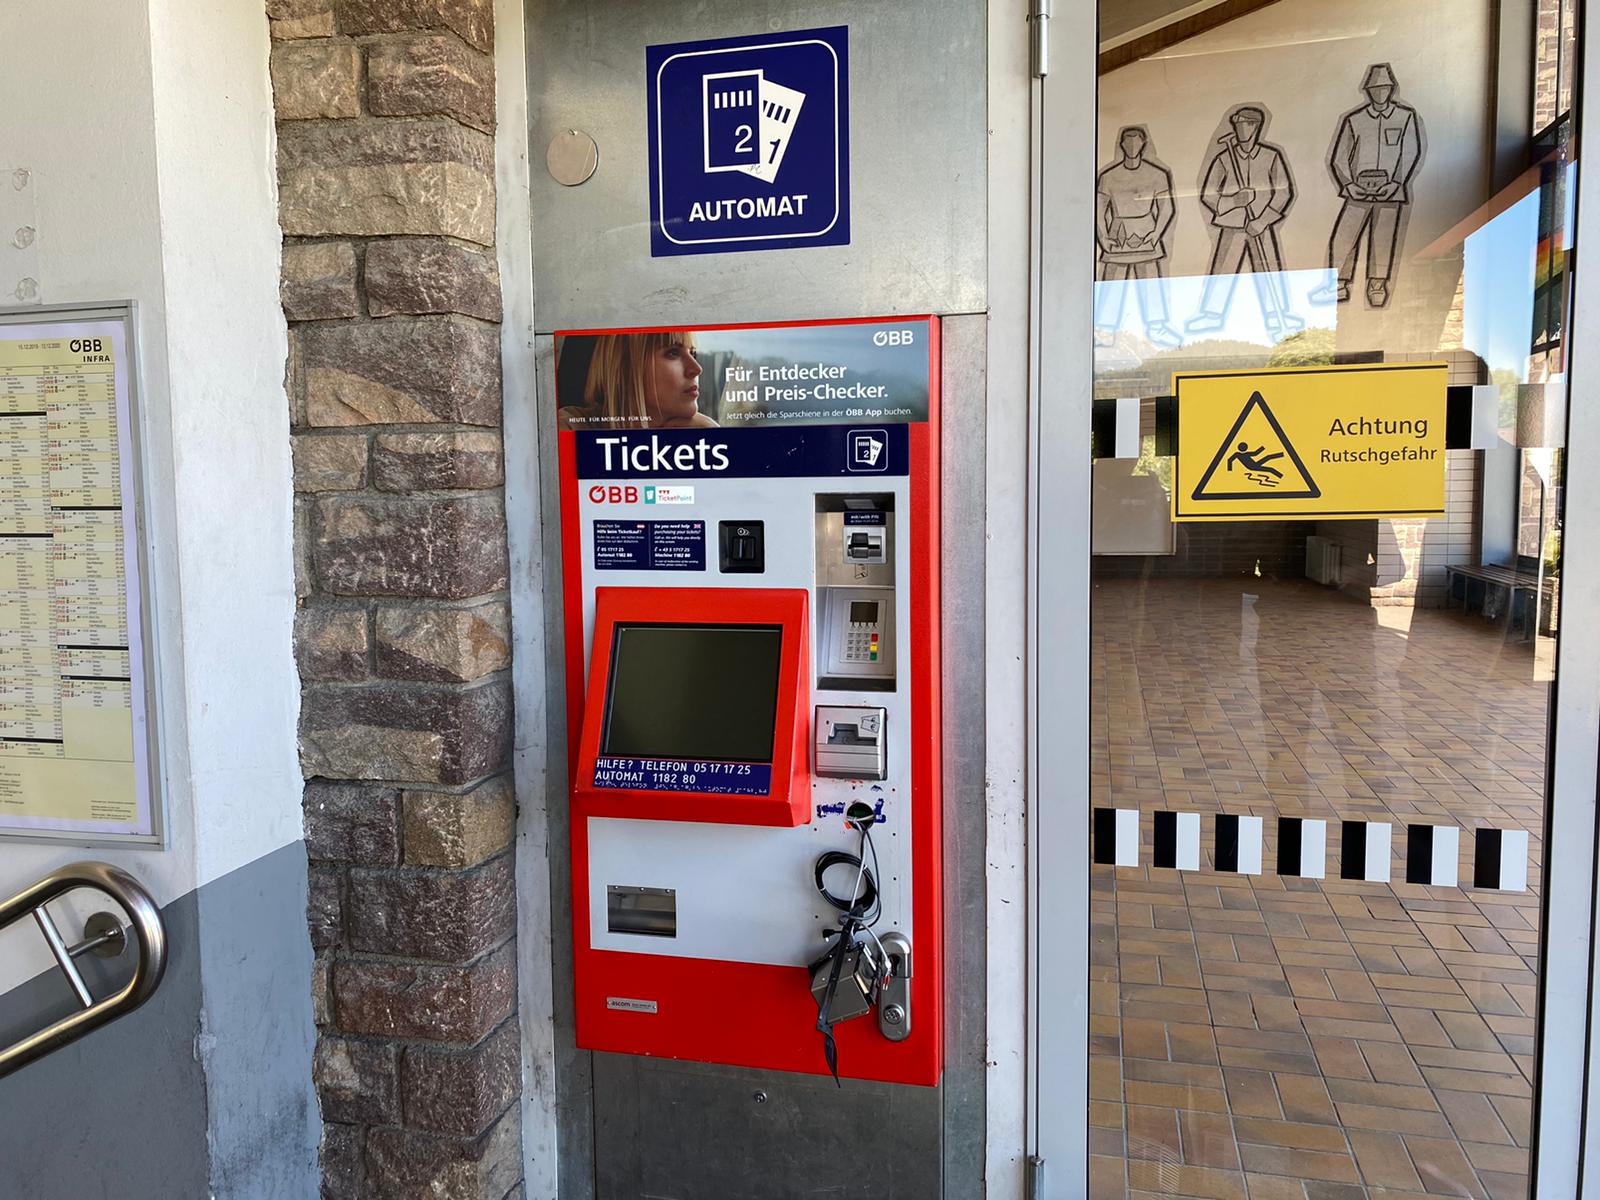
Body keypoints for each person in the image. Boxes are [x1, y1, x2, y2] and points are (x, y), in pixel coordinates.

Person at [1311, 64, 1423, 308]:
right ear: (1368, 90)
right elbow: (1339, 156)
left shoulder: (1405, 117)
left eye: (1384, 88)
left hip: (1390, 191)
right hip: (1358, 190)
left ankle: (1377, 284)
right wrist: (1349, 184)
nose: (1379, 93)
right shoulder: (1355, 119)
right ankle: (1339, 282)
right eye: (1375, 88)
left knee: (1382, 238)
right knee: (1344, 236)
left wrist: (1396, 182)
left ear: (1391, 88)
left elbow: (1411, 150)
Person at [1186, 106, 1303, 337]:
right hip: (1232, 225)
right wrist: (1233, 201)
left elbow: (1283, 192)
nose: (1241, 129)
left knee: (1268, 267)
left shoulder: (1271, 156)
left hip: (1260, 225)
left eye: (1246, 124)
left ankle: (1276, 314)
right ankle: (1211, 314)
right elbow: (1208, 194)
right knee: (1223, 270)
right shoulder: (1224, 158)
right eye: (1237, 124)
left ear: (1256, 127)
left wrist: (1263, 219)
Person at [1094, 126, 1181, 349]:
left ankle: (1157, 327)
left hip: (1147, 235)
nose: (1132, 145)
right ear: (1121, 144)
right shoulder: (1108, 176)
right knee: (1112, 285)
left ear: (1144, 144)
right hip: (1117, 236)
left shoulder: (1157, 175)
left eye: (1136, 140)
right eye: (1127, 140)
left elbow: (1166, 208)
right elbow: (1098, 208)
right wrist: (1103, 238)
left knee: (1150, 283)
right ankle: (1104, 331)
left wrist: (1155, 234)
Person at [557, 331, 717, 430]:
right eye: (673, 353)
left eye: (693, 353)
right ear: (626, 365)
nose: (696, 369)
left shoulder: (701, 432)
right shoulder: (567, 428)